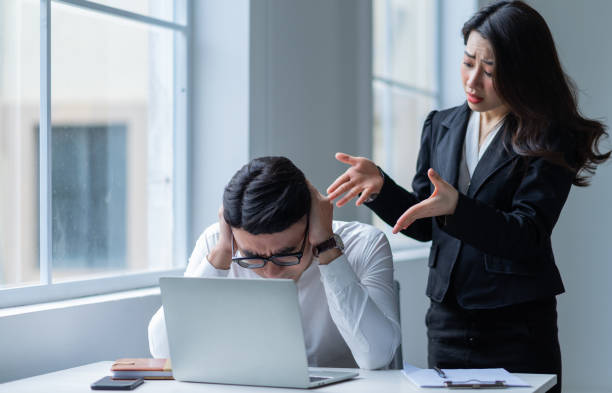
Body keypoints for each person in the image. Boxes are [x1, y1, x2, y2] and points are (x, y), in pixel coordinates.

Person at [327, 1, 609, 391]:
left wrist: (458, 207)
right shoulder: (440, 125)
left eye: (490, 70)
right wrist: (383, 189)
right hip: (447, 321)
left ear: (523, 72)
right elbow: (427, 227)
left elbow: (528, 234)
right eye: (468, 61)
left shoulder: (550, 137)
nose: (472, 80)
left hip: (518, 325)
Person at [148, 156, 401, 370]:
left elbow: (376, 356)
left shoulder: (364, 244)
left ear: (313, 220)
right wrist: (222, 253)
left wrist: (326, 247)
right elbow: (163, 349)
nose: (270, 270)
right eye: (253, 257)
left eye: (286, 253)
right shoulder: (220, 244)